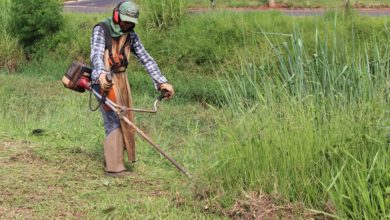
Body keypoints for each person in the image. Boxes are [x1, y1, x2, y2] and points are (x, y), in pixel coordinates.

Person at [90, 0, 174, 175]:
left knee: (125, 118)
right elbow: (96, 56)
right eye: (125, 21)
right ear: (116, 15)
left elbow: (146, 58)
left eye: (130, 22)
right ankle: (114, 167)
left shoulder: (131, 34)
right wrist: (101, 75)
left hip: (122, 80)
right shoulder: (101, 29)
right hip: (104, 80)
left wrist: (161, 81)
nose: (127, 25)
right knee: (113, 119)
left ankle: (115, 159)